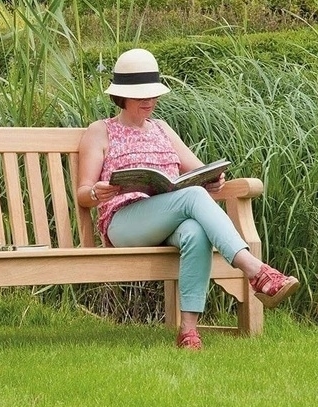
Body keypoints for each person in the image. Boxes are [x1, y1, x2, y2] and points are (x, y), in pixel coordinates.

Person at [77, 48, 300, 350]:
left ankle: (188, 332)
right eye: (141, 95)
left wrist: (213, 178)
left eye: (153, 95)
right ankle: (256, 271)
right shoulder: (100, 131)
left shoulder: (162, 129)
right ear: (121, 95)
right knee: (192, 197)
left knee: (195, 232)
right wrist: (96, 192)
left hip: (165, 220)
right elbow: (83, 193)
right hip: (124, 224)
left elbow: (199, 170)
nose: (149, 101)